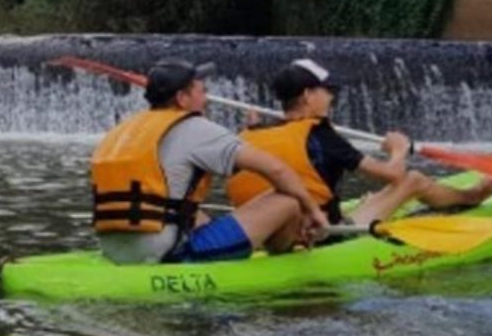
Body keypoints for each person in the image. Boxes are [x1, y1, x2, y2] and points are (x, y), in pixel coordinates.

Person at [92, 58, 329, 265]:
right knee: (288, 198)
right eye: (202, 91)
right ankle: (284, 259)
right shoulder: (194, 127)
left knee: (193, 211)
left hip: (115, 249)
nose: (206, 99)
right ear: (182, 98)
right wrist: (313, 210)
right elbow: (276, 169)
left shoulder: (123, 130)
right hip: (166, 251)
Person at [226, 58, 492, 229]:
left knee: (370, 195)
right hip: (322, 234)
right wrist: (398, 150)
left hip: (261, 232)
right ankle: (474, 196)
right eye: (328, 91)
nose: (332, 97)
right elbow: (394, 174)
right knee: (413, 179)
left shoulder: (249, 134)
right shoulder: (320, 135)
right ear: (308, 95)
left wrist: (253, 125)